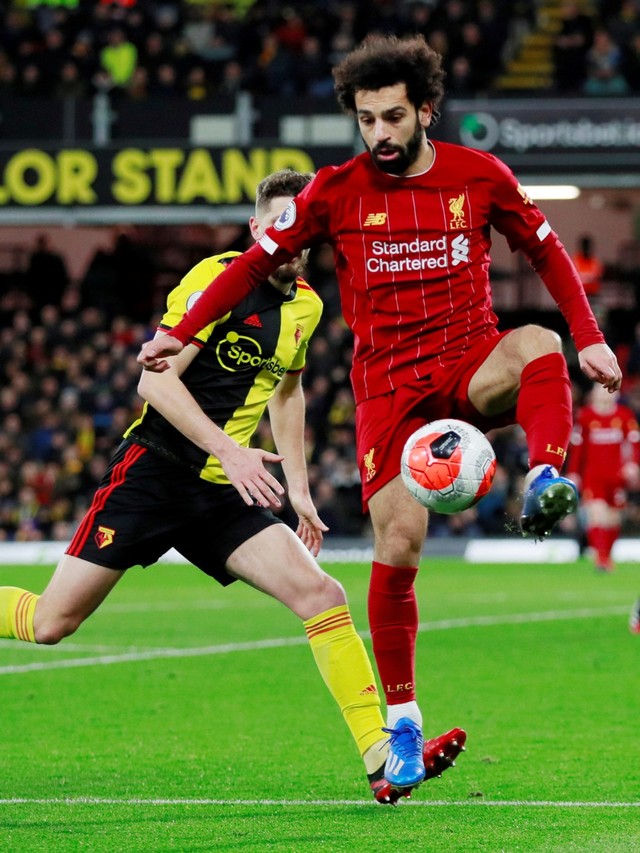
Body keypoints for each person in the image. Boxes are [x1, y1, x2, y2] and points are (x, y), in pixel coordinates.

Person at [137, 34, 622, 785]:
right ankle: (401, 729)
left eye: (393, 117)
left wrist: (591, 338)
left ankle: (545, 477)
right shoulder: (336, 191)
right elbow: (254, 263)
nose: (380, 135)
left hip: (468, 358)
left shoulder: (479, 174)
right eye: (366, 120)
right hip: (388, 390)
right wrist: (178, 330)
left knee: (538, 343)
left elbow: (548, 252)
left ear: (425, 109)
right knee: (398, 544)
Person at [0, 169, 464, 804]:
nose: (289, 241)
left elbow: (289, 391)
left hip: (222, 493)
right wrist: (231, 452)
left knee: (322, 594)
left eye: (300, 231)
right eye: (277, 225)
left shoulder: (306, 305)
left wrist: (298, 490)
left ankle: (381, 757)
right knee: (52, 622)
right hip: (156, 473)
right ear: (256, 229)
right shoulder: (213, 281)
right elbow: (154, 382)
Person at [566, 383, 640, 572]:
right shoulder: (585, 416)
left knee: (613, 518)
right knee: (596, 514)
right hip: (593, 476)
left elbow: (633, 443)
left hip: (617, 476)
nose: (604, 394)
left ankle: (606, 555)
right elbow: (578, 449)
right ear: (593, 394)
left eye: (608, 391)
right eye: (600, 390)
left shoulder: (624, 416)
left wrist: (633, 465)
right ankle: (601, 559)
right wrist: (574, 472)